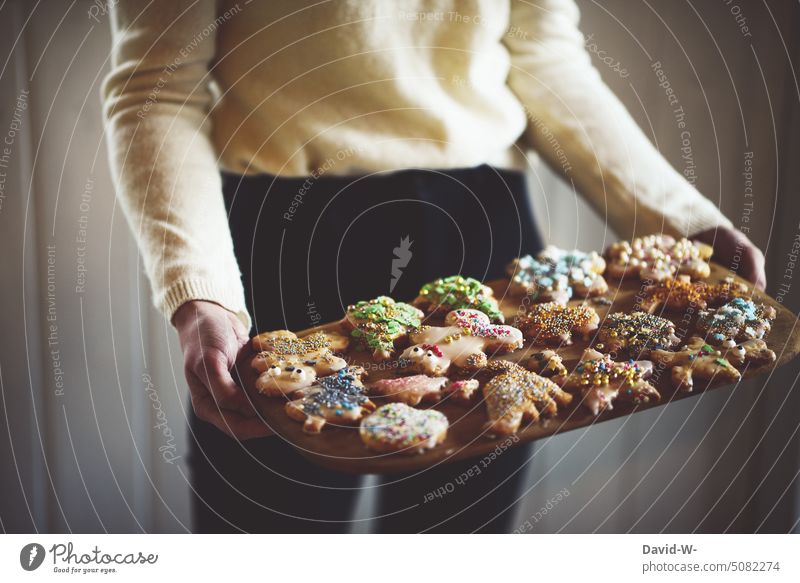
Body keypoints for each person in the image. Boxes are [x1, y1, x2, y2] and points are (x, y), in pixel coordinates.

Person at [102, 0, 766, 533]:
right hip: (282, 243)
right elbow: (155, 87)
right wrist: (203, 294)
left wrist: (681, 220)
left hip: (485, 241)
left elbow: (541, 57)